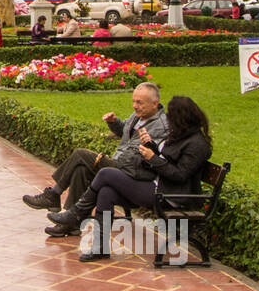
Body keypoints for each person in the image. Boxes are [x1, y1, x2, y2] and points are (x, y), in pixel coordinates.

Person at [52, 96, 213, 262]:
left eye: (172, 116)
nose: (169, 120)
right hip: (158, 186)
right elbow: (168, 160)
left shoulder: (197, 144)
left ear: (182, 118)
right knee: (106, 192)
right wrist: (151, 146)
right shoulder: (181, 135)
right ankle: (100, 247)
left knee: (106, 174)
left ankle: (77, 213)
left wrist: (153, 158)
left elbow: (180, 175)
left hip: (171, 196)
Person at [21, 82, 169, 229]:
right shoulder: (139, 115)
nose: (135, 105)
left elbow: (145, 156)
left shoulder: (159, 126)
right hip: (120, 163)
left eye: (139, 102)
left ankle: (54, 194)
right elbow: (125, 131)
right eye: (134, 101)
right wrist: (113, 122)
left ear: (155, 104)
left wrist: (108, 161)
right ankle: (70, 224)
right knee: (81, 169)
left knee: (80, 154)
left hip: (131, 171)